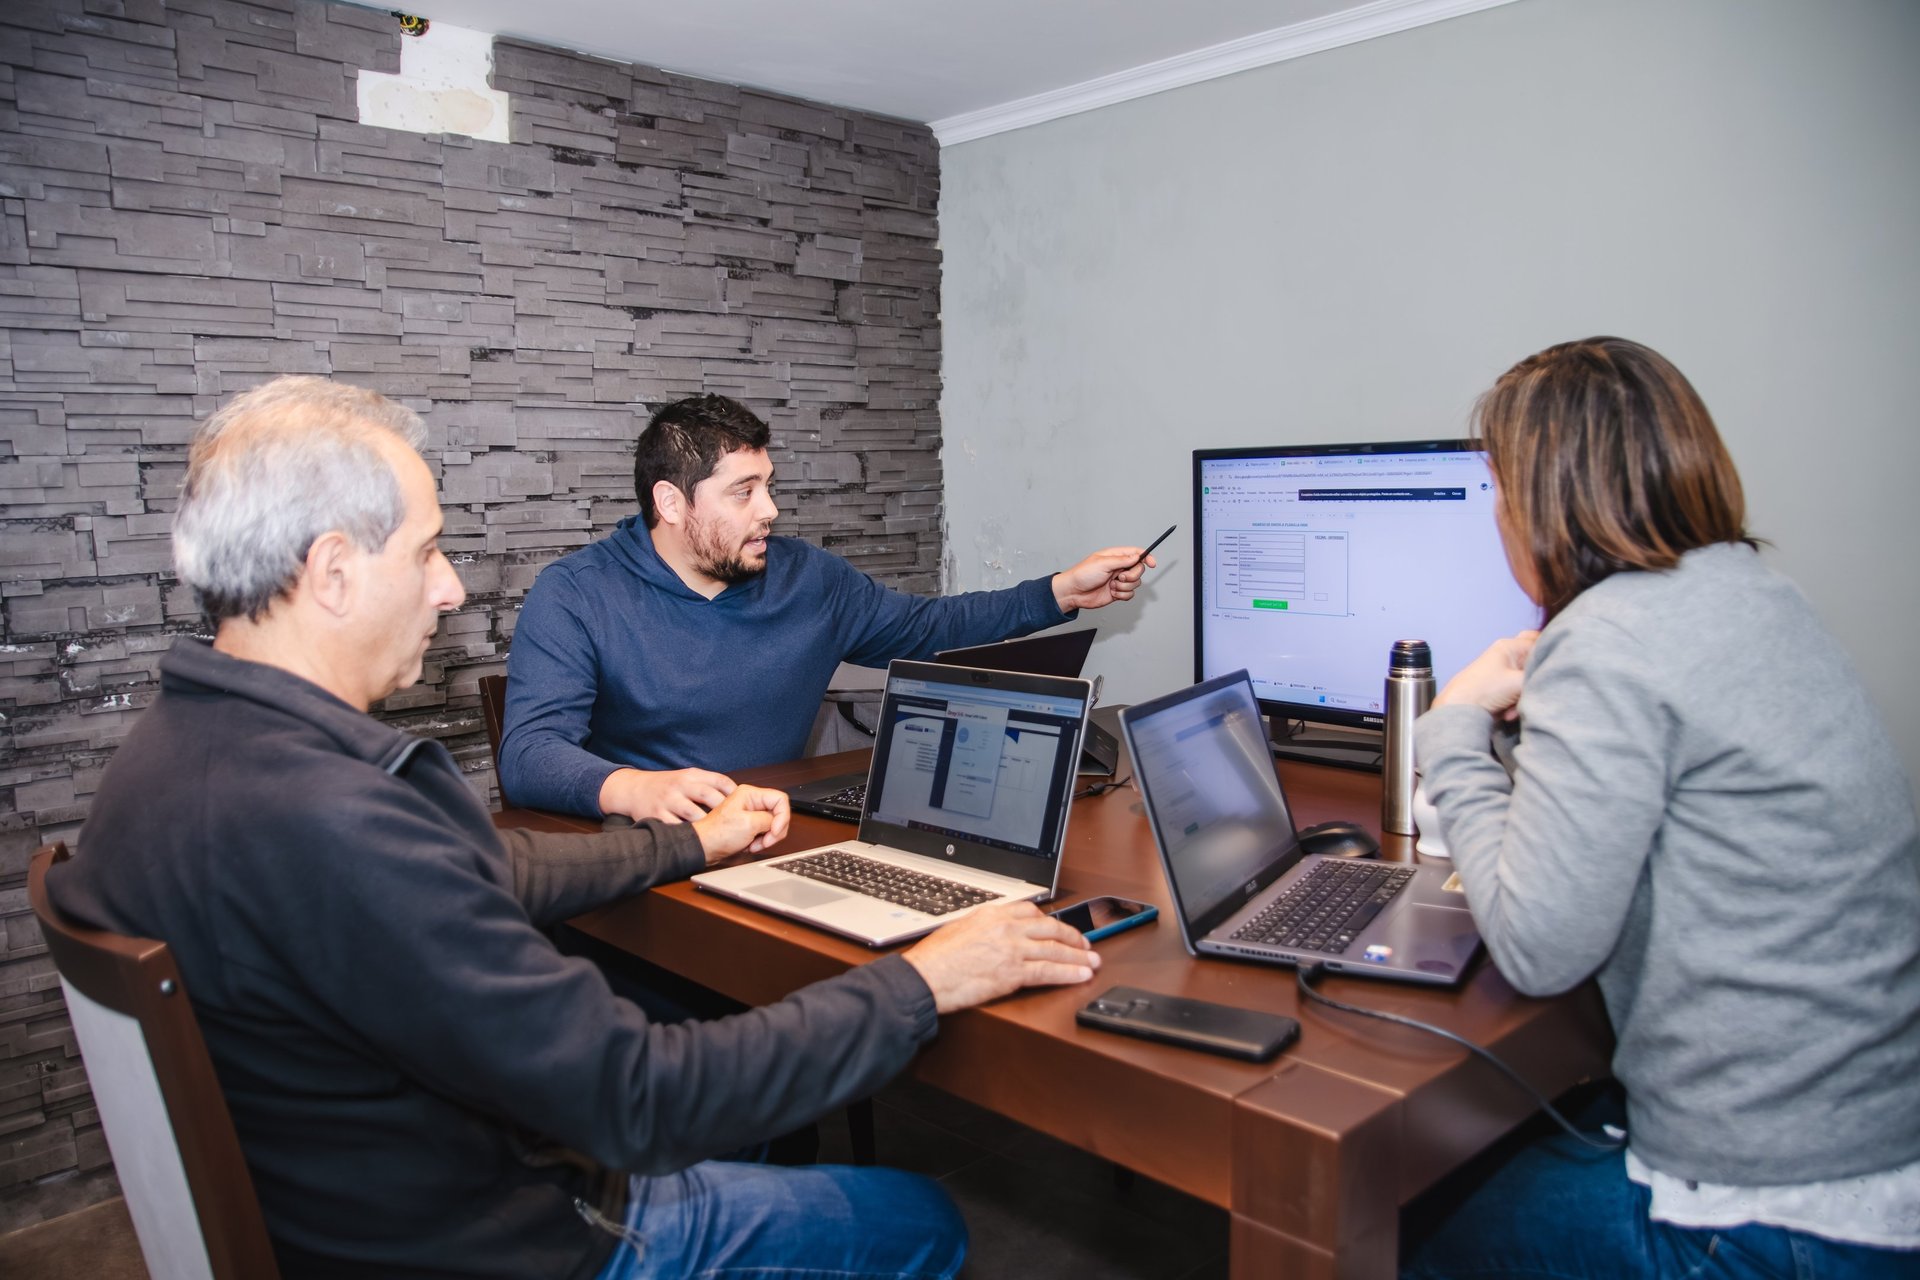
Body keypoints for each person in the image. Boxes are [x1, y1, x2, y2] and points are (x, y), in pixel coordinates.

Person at [49, 376, 1103, 1280]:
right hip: (508, 1232)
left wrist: (686, 841)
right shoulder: (332, 812)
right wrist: (927, 976)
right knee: (926, 1221)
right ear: (331, 571)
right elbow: (641, 1097)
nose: (451, 587)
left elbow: (466, 868)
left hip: (353, 1204)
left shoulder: (173, 756)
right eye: (428, 553)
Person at [1402, 338, 1920, 1278]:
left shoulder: (1609, 641)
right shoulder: (1754, 593)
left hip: (1768, 1217)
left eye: (1500, 493)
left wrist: (1450, 726)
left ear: (1546, 500)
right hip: (1879, 1157)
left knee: (1393, 1211)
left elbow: (1537, 945)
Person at [499, 393, 1157, 822]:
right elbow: (529, 752)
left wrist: (1060, 593)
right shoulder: (577, 595)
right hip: (652, 860)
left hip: (777, 831)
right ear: (672, 504)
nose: (770, 511)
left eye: (769, 487)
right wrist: (638, 789)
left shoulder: (806, 579)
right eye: (743, 492)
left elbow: (930, 628)